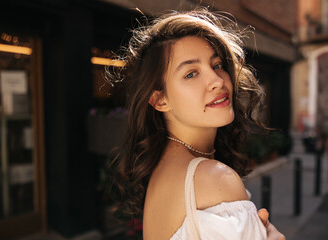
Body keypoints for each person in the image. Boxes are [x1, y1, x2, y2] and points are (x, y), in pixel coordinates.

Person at [108, 8, 285, 240]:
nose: (216, 80)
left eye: (217, 65)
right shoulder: (213, 178)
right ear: (160, 99)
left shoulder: (164, 167)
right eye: (191, 73)